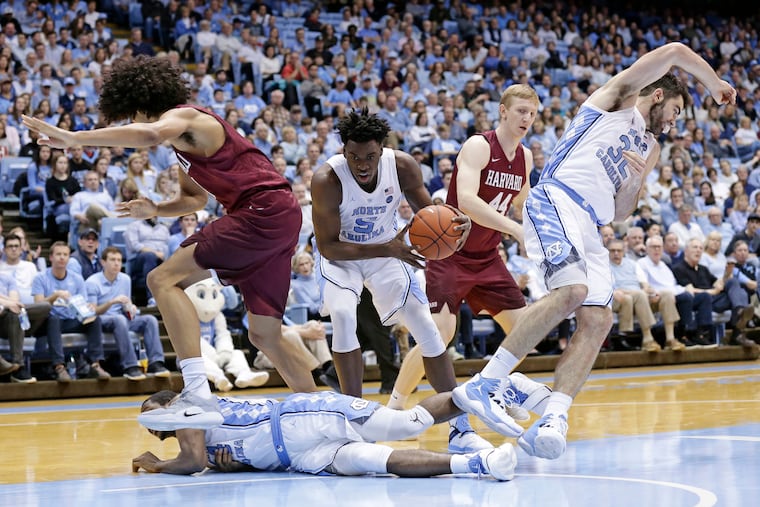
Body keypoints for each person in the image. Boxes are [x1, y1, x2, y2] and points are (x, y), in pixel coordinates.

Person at [451, 42, 735, 460]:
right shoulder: (614, 101)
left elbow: (621, 214)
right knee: (571, 291)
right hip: (556, 199)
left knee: (599, 319)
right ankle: (487, 381)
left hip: (592, 224)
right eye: (674, 113)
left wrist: (636, 182)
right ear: (658, 96)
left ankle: (554, 415)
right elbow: (674, 50)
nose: (673, 125)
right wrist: (714, 84)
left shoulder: (651, 146)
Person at [23, 55, 317, 431]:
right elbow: (194, 200)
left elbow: (147, 135)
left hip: (260, 211)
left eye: (133, 114)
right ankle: (321, 411)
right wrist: (157, 207)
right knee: (265, 334)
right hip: (277, 216)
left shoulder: (189, 117)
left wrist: (75, 138)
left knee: (162, 279)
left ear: (142, 106)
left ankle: (196, 390)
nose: (135, 121)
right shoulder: (184, 146)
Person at [310, 109, 493, 453]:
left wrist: (456, 225)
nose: (362, 164)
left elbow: (431, 216)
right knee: (345, 317)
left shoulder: (404, 166)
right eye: (353, 156)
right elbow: (328, 246)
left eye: (370, 156)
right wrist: (390, 248)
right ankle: (357, 425)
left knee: (425, 324)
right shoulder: (326, 179)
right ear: (342, 150)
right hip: (343, 257)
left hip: (387, 251)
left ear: (383, 149)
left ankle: (460, 428)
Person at [388, 84, 551, 446]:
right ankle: (396, 405)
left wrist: (544, 228)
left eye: (533, 113)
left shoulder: (523, 157)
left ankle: (490, 388)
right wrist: (515, 230)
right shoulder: (479, 145)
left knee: (527, 331)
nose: (527, 119)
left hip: (488, 256)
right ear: (503, 111)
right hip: (451, 252)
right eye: (521, 111)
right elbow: (469, 201)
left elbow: (522, 204)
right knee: (440, 333)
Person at [133, 389, 518, 481]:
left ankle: (489, 392)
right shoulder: (198, 434)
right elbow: (207, 458)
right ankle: (481, 463)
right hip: (298, 458)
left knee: (407, 424)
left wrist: (157, 464)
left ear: (169, 405)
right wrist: (230, 467)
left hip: (304, 419)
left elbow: (191, 462)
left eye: (150, 413)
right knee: (373, 462)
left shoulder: (187, 405)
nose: (148, 424)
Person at [86, 246, 171, 381]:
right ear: (103, 262)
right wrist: (111, 302)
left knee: (150, 319)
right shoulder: (92, 282)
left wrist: (131, 308)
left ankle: (156, 363)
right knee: (119, 319)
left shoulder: (125, 279)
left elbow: (126, 303)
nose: (116, 263)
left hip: (122, 319)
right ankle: (130, 366)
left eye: (119, 260)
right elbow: (92, 312)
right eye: (112, 260)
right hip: (101, 320)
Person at [32, 241, 111, 383]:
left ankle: (95, 364)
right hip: (46, 323)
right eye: (58, 254)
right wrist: (54, 296)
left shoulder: (77, 278)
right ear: (51, 257)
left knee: (95, 319)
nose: (62, 257)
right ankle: (59, 367)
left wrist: (88, 310)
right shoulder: (40, 277)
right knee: (53, 318)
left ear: (69, 258)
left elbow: (84, 305)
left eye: (65, 254)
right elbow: (38, 306)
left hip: (69, 321)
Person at [671, 238, 755, 347]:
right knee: (708, 296)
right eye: (695, 247)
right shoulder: (679, 268)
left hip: (715, 300)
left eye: (701, 248)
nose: (698, 250)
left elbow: (718, 284)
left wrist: (726, 275)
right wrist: (712, 291)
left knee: (734, 283)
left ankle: (740, 311)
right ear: (686, 251)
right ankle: (738, 329)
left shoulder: (703, 269)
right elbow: (690, 290)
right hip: (698, 302)